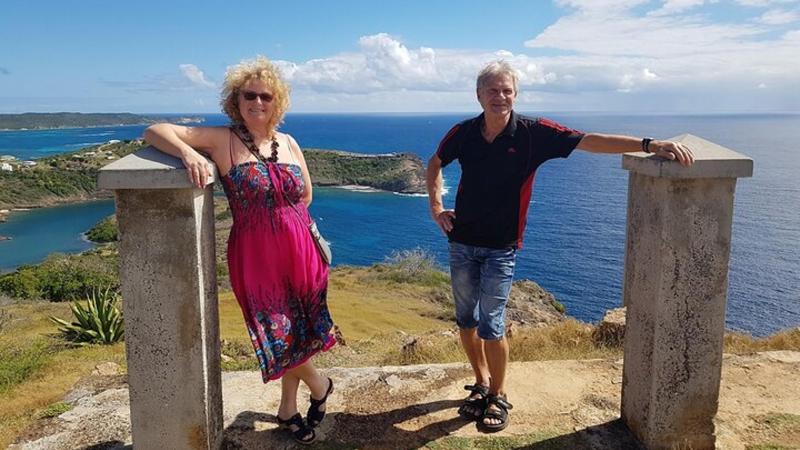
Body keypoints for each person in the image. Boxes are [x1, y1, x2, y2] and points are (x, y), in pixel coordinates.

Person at [425, 60, 694, 433]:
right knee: (466, 320)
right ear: (479, 95)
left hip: (501, 247)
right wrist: (436, 208)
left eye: (506, 90)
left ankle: (498, 395)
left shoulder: (534, 134)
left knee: (492, 324)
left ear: (515, 94)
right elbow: (435, 162)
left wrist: (649, 144)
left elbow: (590, 140)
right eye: (492, 90)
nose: (500, 96)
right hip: (461, 241)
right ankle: (481, 382)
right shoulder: (464, 133)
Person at [144, 56, 336, 445]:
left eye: (266, 96)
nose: (258, 102)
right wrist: (188, 153)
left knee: (301, 332)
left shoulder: (289, 142)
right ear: (236, 100)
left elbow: (306, 195)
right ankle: (321, 385)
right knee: (279, 334)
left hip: (302, 252)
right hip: (256, 256)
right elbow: (154, 131)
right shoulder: (222, 139)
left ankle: (288, 409)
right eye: (250, 95)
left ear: (277, 101)